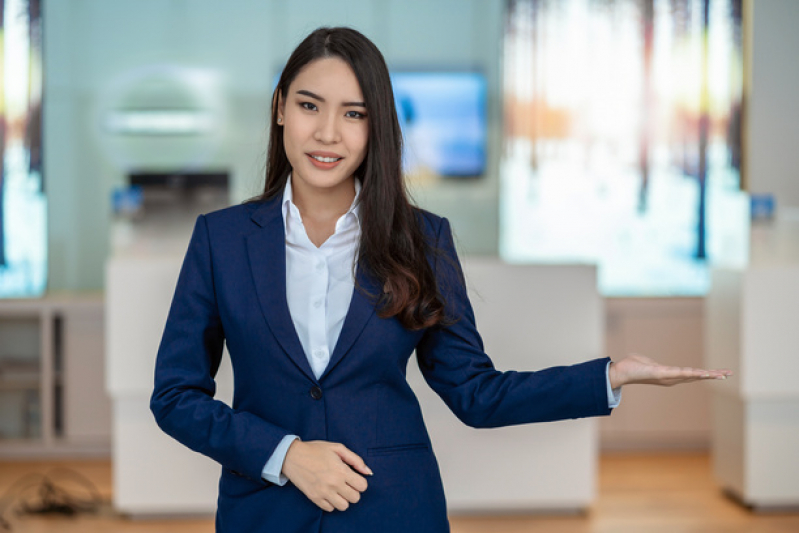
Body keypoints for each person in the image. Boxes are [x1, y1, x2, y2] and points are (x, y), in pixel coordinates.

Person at [150, 26, 731, 533]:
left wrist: (609, 376)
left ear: (377, 127)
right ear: (279, 107)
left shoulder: (421, 240)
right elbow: (175, 396)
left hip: (393, 511)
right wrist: (285, 454)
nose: (328, 133)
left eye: (354, 114)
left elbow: (477, 393)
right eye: (309, 106)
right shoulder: (221, 239)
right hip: (265, 514)